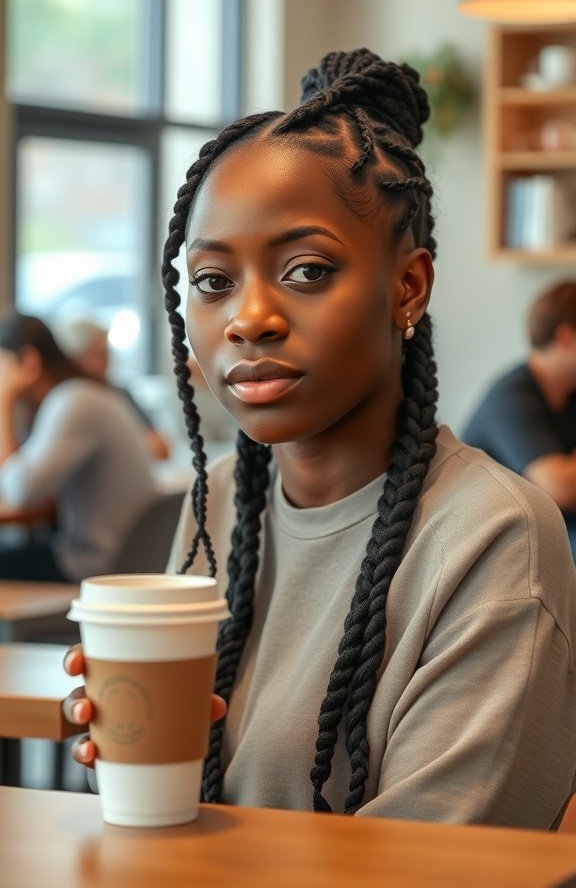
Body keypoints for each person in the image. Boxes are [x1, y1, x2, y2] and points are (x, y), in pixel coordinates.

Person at [64, 48, 576, 828]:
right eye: (212, 281)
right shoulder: (228, 498)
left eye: (305, 270)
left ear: (408, 286)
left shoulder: (494, 536)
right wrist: (133, 735)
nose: (248, 318)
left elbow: (435, 869)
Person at [0, 311, 158, 581]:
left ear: (28, 362)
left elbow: (19, 493)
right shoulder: (82, 394)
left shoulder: (73, 401)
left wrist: (4, 399)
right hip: (127, 557)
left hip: (97, 566)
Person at [462, 280, 576, 561]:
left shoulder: (569, 393)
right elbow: (560, 487)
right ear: (566, 338)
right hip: (491, 545)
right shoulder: (511, 398)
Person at [55, 316, 171, 462]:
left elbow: (161, 448)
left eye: (107, 353)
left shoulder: (119, 394)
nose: (107, 361)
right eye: (97, 354)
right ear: (73, 358)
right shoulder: (65, 403)